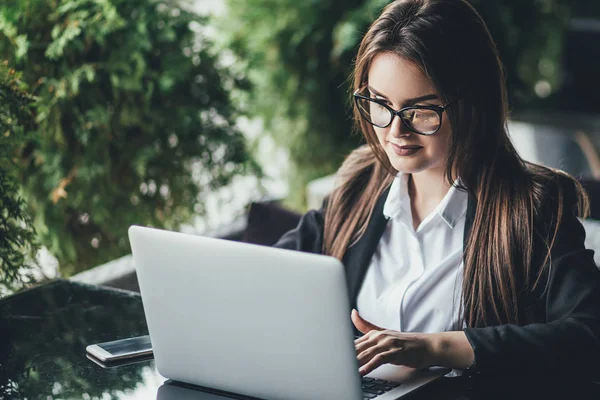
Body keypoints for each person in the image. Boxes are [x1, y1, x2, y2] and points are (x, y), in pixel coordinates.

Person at [274, 0, 600, 379]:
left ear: (473, 105)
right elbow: (270, 276)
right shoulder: (359, 183)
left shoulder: (533, 208)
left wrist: (435, 347)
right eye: (379, 103)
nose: (396, 132)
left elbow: (588, 335)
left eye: (420, 111)